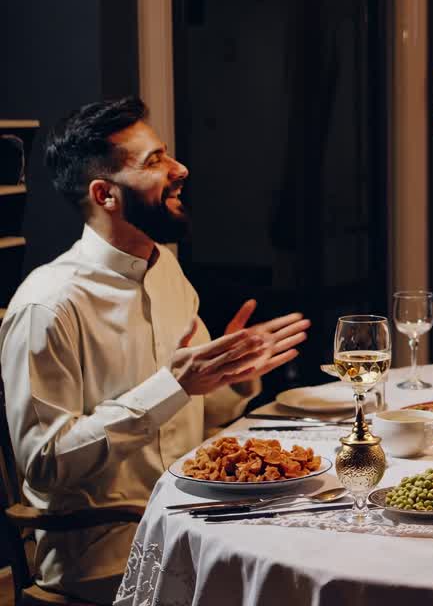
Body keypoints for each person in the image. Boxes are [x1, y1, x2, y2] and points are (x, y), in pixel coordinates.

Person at [0, 97, 310, 603]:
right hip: (112, 555)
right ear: (105, 194)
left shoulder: (166, 269)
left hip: (197, 527)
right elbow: (45, 463)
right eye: (154, 162)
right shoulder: (48, 305)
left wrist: (233, 380)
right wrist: (171, 386)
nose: (180, 168)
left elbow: (202, 419)